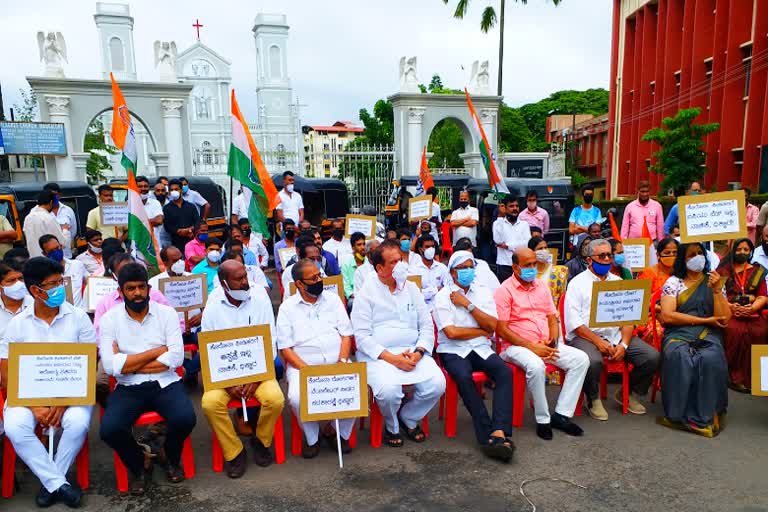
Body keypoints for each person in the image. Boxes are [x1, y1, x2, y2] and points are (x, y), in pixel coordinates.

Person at [1, 257, 95, 507]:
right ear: (35, 290)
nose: (59, 289)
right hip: (27, 397)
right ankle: (58, 483)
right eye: (52, 285)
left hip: (72, 394)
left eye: (60, 283)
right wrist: (34, 406)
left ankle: (51, 482)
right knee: (15, 427)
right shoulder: (17, 325)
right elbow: (6, 372)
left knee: (77, 423)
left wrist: (63, 404)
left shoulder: (79, 318)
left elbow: (88, 364)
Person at [99, 263, 196, 493]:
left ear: (149, 288)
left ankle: (170, 458)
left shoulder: (166, 314)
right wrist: (156, 352)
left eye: (141, 287)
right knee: (110, 429)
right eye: (130, 288)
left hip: (166, 382)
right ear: (120, 291)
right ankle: (139, 466)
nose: (137, 293)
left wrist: (128, 363)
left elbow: (176, 358)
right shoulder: (109, 319)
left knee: (185, 418)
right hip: (128, 387)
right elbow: (112, 366)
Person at [351, 240, 446, 447]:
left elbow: (427, 326)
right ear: (379, 268)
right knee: (389, 391)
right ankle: (391, 425)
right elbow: (362, 338)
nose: (401, 265)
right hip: (379, 356)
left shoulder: (411, 288)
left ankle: (409, 417)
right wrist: (393, 359)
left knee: (438, 384)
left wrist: (419, 352)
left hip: (412, 351)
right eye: (393, 262)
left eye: (401, 259)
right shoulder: (366, 293)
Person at [201, 260, 285, 474]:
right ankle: (234, 451)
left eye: (245, 276)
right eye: (238, 279)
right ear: (223, 284)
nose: (245, 282)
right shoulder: (212, 304)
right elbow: (209, 349)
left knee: (275, 400)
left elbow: (271, 340)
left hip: (258, 371)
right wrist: (230, 384)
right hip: (225, 376)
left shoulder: (259, 297)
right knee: (210, 404)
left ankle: (261, 441)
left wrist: (255, 379)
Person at [495, 248, 588, 440]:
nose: (532, 268)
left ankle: (562, 415)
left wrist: (552, 342)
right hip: (515, 347)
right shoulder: (504, 290)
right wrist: (531, 346)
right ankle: (543, 419)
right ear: (515, 267)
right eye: (527, 265)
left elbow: (552, 318)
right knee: (536, 366)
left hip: (545, 344)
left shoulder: (541, 286)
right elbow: (502, 329)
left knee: (581, 359)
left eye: (534, 264)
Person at [564, 239, 660, 421]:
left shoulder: (619, 281)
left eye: (610, 255)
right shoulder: (577, 284)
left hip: (616, 335)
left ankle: (630, 393)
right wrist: (599, 342)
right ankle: (592, 398)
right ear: (589, 260)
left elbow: (629, 317)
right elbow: (574, 323)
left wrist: (623, 344)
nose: (607, 259)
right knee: (592, 361)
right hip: (586, 336)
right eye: (602, 255)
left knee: (651, 357)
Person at [435, 251, 515, 461]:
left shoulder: (481, 292)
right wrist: (481, 330)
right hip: (452, 350)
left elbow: (492, 325)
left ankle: (499, 431)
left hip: (480, 348)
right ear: (452, 273)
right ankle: (486, 433)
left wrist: (467, 304)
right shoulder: (442, 295)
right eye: (463, 268)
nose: (468, 272)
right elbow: (451, 333)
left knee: (504, 373)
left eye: (471, 267)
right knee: (463, 376)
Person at [277, 258, 356, 458]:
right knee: (296, 398)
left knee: (357, 389)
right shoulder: (287, 308)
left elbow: (346, 334)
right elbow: (285, 349)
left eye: (319, 275)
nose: (319, 280)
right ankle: (312, 437)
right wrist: (307, 371)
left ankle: (336, 431)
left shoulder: (333, 299)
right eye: (313, 278)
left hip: (337, 359)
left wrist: (342, 362)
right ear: (300, 284)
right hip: (303, 365)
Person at [658, 242, 730, 437]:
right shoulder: (673, 282)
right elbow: (667, 316)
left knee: (710, 358)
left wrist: (716, 290)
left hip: (708, 333)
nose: (697, 257)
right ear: (683, 259)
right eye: (691, 255)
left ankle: (709, 412)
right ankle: (679, 414)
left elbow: (724, 318)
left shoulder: (713, 282)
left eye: (700, 253)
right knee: (680, 356)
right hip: (678, 333)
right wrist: (703, 319)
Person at [716, 238, 768, 392]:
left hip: (752, 312)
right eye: (739, 249)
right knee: (735, 331)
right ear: (733, 250)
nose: (742, 253)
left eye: (746, 250)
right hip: (729, 311)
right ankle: (734, 377)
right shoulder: (723, 271)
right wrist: (731, 307)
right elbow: (717, 295)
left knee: (760, 331)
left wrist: (751, 309)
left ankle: (759, 379)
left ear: (751, 251)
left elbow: (763, 296)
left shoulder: (758, 271)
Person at [636, 238, 679, 345]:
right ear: (658, 255)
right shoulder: (648, 273)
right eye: (667, 253)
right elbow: (640, 301)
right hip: (653, 314)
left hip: (679, 313)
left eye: (675, 253)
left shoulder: (683, 272)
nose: (671, 256)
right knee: (658, 332)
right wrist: (662, 309)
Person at [39, 234, 88, 310]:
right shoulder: (43, 274)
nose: (56, 252)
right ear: (44, 254)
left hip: (80, 313)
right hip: (59, 316)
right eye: (51, 251)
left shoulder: (77, 265)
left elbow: (90, 280)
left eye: (57, 248)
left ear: (61, 246)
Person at [493, 196, 531, 284]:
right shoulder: (497, 223)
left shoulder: (524, 224)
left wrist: (508, 246)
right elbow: (498, 241)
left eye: (516, 206)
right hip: (504, 265)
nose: (515, 209)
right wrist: (500, 217)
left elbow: (526, 244)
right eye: (511, 206)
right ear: (505, 208)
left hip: (520, 265)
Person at [409, 234, 450, 308]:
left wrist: (426, 292)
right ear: (420, 249)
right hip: (423, 309)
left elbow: (448, 289)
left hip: (441, 307)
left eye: (432, 246)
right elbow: (415, 294)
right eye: (427, 247)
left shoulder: (442, 268)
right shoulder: (413, 270)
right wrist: (436, 290)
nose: (431, 249)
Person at [23, 190, 65, 258]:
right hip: (48, 260)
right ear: (51, 202)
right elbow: (62, 242)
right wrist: (65, 230)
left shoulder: (28, 217)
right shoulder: (49, 218)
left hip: (33, 259)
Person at [282, 235, 325, 301]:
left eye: (318, 259)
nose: (316, 262)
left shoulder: (319, 268)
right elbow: (289, 294)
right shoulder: (288, 272)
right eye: (312, 259)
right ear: (301, 258)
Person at [528, 236, 568, 306]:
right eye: (540, 248)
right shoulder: (527, 273)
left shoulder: (559, 272)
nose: (544, 251)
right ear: (532, 252)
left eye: (546, 248)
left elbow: (562, 298)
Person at [163, 179, 200, 252]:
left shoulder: (191, 206)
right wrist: (179, 231)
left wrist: (189, 230)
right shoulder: (167, 208)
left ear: (181, 190)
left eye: (176, 189)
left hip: (192, 242)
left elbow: (197, 222)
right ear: (169, 192)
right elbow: (167, 226)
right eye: (172, 190)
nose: (174, 192)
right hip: (176, 244)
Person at [43, 182, 77, 258]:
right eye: (50, 195)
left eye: (55, 194)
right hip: (48, 256)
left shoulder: (68, 210)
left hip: (66, 254)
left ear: (59, 195)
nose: (53, 197)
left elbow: (73, 232)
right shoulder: (39, 212)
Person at [136, 176, 164, 249]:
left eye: (145, 186)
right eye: (140, 186)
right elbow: (130, 225)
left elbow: (159, 220)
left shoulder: (155, 203)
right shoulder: (129, 204)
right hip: (136, 246)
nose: (143, 189)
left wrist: (138, 223)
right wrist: (151, 222)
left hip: (154, 246)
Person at [341, 231, 367, 304]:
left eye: (364, 244)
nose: (363, 247)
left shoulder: (369, 261)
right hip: (355, 297)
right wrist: (357, 297)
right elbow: (346, 287)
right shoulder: (346, 264)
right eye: (359, 245)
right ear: (353, 248)